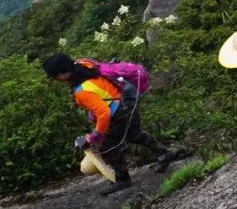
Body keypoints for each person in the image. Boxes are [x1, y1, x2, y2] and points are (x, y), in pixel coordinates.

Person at [43, 53, 180, 196]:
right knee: (135, 134)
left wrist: (94, 137)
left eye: (55, 76)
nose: (56, 80)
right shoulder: (83, 64)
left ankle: (122, 179)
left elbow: (104, 113)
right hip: (127, 100)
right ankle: (165, 154)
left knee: (106, 147)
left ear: (63, 74)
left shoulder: (81, 91)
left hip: (118, 111)